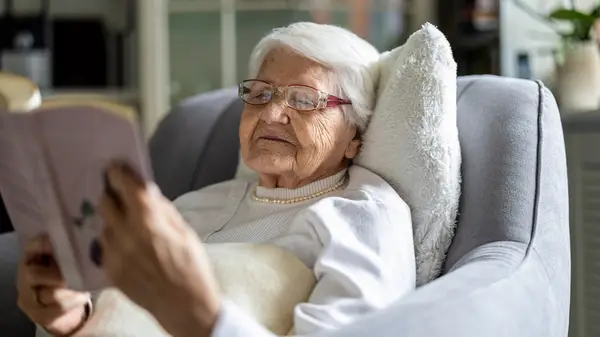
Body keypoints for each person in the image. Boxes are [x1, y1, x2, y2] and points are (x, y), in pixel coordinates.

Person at [17, 22, 416, 337]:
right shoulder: (191, 206)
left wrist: (199, 314)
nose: (271, 114)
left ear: (354, 137)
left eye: (303, 100)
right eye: (259, 94)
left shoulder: (364, 215)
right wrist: (70, 315)